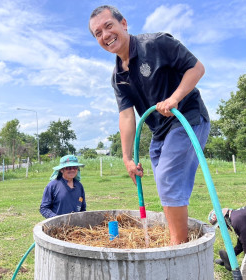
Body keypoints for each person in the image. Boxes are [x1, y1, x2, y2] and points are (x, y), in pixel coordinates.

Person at [89, 5, 210, 245]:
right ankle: (177, 239)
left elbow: (197, 68)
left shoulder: (156, 44)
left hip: (187, 116)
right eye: (97, 33)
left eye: (108, 26)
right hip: (159, 130)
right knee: (165, 185)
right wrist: (127, 158)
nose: (105, 35)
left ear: (123, 23)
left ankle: (177, 248)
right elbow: (126, 116)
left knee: (167, 178)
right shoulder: (117, 77)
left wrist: (174, 98)